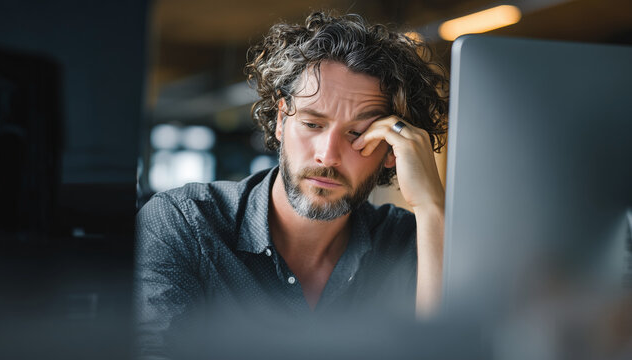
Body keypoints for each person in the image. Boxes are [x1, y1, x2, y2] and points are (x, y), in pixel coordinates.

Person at [135, 10, 448, 358]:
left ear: (391, 150)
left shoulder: (411, 241)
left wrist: (431, 208)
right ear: (283, 120)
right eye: (313, 124)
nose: (327, 156)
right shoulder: (185, 223)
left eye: (358, 134)